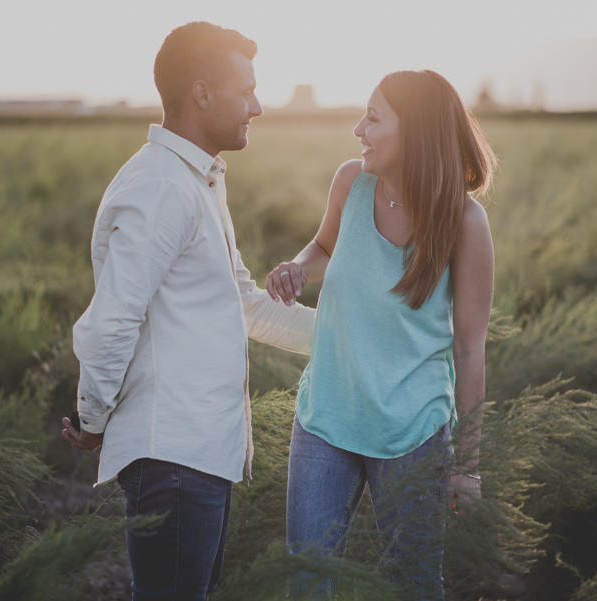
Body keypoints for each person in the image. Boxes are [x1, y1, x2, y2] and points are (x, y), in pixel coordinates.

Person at [61, 22, 315, 601]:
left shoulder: (195, 180)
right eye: (245, 90)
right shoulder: (162, 187)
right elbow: (112, 321)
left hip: (198, 453)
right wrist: (95, 417)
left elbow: (244, 303)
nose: (258, 106)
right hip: (172, 457)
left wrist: (353, 336)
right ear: (202, 93)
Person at [265, 69, 497, 600]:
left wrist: (469, 468)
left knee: (415, 587)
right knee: (307, 584)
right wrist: (298, 267)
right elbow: (322, 246)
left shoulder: (465, 222)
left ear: (415, 132)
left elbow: (469, 349)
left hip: (413, 434)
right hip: (326, 419)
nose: (357, 129)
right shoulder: (351, 181)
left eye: (372, 118)